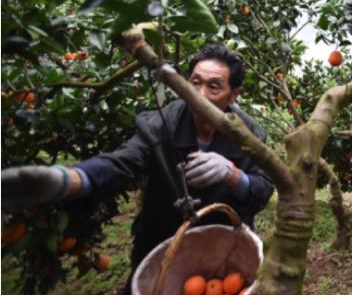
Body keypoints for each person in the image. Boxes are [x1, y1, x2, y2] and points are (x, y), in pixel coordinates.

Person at [1, 43, 275, 290]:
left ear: (233, 95)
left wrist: (233, 175)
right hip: (160, 242)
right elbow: (123, 162)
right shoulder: (160, 124)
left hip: (222, 248)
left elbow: (262, 189)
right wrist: (68, 180)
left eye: (214, 86)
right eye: (194, 82)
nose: (199, 95)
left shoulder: (249, 136)